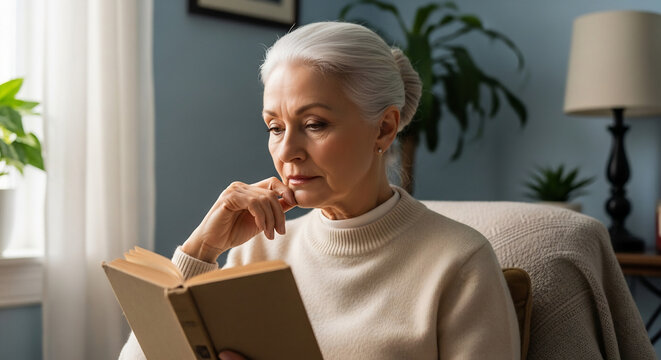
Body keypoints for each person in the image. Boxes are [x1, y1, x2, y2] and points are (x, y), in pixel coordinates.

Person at [120, 21, 520, 360]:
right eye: (275, 127)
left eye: (314, 124)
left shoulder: (459, 263)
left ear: (384, 127)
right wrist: (200, 250)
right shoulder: (258, 251)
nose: (288, 151)